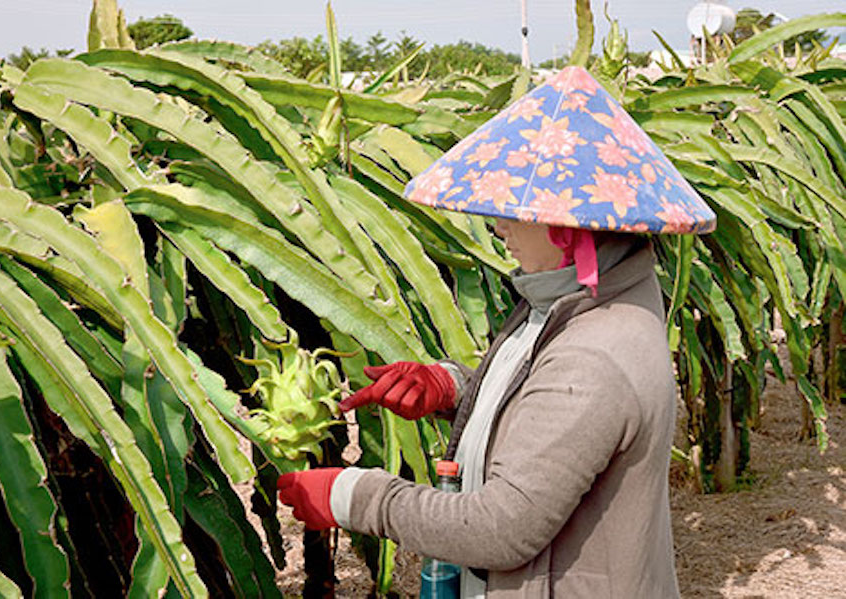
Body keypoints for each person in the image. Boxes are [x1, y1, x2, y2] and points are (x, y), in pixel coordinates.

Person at [277, 66, 716, 598]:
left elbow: (499, 529)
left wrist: (354, 495)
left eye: (510, 209)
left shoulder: (595, 354)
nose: (498, 224)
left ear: (564, 224)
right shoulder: (579, 302)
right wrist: (451, 388)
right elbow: (544, 404)